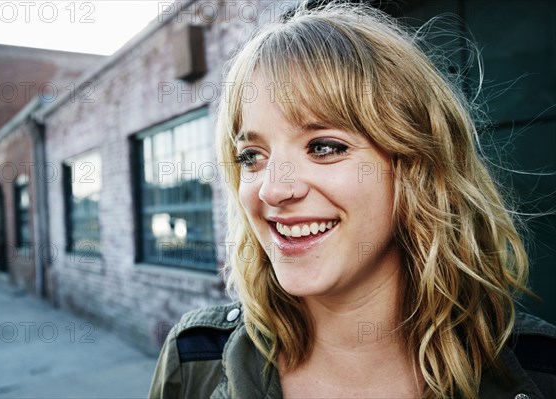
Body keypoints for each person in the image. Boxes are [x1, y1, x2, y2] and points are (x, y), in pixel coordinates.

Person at [149, 1, 556, 398]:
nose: (273, 189)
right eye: (251, 157)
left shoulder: (542, 369)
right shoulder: (194, 359)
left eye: (324, 147)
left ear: (415, 164)